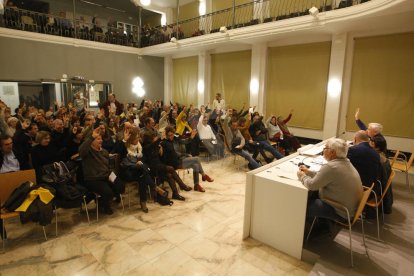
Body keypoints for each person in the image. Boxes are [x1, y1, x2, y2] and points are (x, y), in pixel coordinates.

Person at [297, 138, 363, 223]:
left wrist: (302, 176)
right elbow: (325, 177)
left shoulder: (331, 167)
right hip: (349, 209)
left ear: (332, 152)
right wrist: (309, 172)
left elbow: (312, 185)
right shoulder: (346, 162)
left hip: (341, 212)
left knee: (302, 205)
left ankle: (308, 232)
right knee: (312, 196)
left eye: (325, 148)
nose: (323, 150)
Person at [79, 126, 124, 215]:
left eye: (101, 139)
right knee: (108, 193)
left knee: (120, 186)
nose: (101, 141)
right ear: (91, 142)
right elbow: (81, 151)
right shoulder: (87, 152)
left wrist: (112, 175)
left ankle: (102, 201)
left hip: (106, 175)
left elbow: (109, 166)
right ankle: (103, 205)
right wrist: (92, 137)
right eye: (98, 139)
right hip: (93, 179)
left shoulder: (104, 151)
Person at [161, 126, 213, 192]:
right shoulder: (167, 143)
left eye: (172, 134)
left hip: (181, 159)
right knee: (196, 159)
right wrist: (186, 155)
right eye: (169, 135)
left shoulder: (176, 138)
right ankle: (204, 175)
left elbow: (184, 141)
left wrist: (191, 137)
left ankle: (196, 185)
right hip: (176, 162)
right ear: (167, 135)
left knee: (195, 165)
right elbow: (175, 154)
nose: (171, 136)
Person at [347, 130, 381, 196]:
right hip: (372, 187)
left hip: (361, 188)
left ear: (355, 138)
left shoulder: (354, 150)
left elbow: (343, 164)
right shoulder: (375, 151)